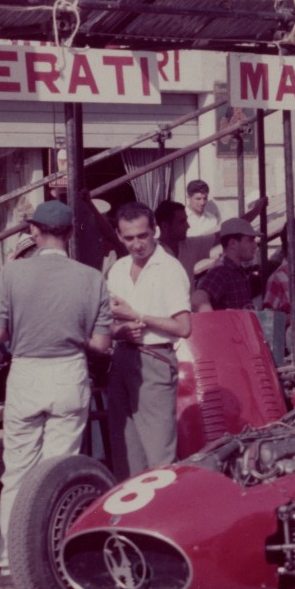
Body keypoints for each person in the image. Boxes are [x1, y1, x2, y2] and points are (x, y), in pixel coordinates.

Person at [0, 199, 112, 589]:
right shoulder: (91, 278)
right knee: (59, 471)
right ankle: (52, 557)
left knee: (18, 471)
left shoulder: (12, 273)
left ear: (34, 232)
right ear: (71, 234)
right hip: (69, 372)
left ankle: (9, 562)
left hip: (26, 372)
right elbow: (102, 344)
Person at [104, 201, 193, 478]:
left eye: (142, 235)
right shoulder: (117, 268)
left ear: (154, 231)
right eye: (128, 237)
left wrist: (138, 316)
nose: (136, 244)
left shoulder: (169, 268)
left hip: (154, 360)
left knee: (159, 456)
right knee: (126, 455)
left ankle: (166, 516)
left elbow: (183, 326)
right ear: (119, 236)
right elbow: (108, 322)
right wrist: (121, 330)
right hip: (121, 359)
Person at [193, 218, 263, 312]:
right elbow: (197, 300)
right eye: (250, 240)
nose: (255, 245)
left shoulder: (238, 272)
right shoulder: (221, 272)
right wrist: (216, 325)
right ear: (233, 243)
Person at [179, 179, 222, 273]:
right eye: (198, 199)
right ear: (188, 197)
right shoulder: (180, 218)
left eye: (205, 198)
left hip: (208, 268)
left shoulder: (212, 219)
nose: (202, 203)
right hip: (186, 269)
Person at [153, 199, 189, 264]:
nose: (188, 226)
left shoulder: (189, 244)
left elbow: (213, 237)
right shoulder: (153, 253)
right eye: (181, 222)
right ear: (165, 226)